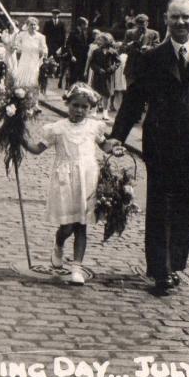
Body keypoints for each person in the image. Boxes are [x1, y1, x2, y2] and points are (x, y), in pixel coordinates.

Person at [109, 0, 189, 296]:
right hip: (161, 143)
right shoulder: (151, 57)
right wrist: (117, 136)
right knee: (161, 206)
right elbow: (134, 100)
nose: (180, 23)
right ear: (165, 19)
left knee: (187, 207)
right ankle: (160, 270)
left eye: (186, 17)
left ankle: (175, 264)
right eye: (175, 17)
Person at [20, 83, 119, 285]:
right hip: (65, 181)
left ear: (90, 108)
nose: (79, 110)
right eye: (75, 105)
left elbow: (104, 145)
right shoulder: (58, 129)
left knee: (81, 225)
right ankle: (58, 243)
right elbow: (37, 149)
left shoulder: (93, 127)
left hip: (88, 180)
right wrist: (18, 138)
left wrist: (114, 149)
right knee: (67, 226)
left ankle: (76, 267)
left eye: (84, 107)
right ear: (68, 104)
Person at [88, 32, 120, 120]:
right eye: (99, 40)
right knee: (96, 92)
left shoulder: (112, 51)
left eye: (101, 40)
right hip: (98, 75)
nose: (99, 42)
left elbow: (118, 62)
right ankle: (94, 110)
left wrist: (112, 68)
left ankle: (105, 113)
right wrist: (98, 69)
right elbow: (92, 63)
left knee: (106, 94)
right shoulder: (96, 51)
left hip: (108, 76)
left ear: (107, 41)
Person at [11, 18, 49, 90]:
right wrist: (17, 47)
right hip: (24, 59)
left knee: (33, 76)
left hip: (35, 60)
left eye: (34, 25)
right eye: (31, 25)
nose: (33, 26)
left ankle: (31, 93)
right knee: (22, 76)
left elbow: (45, 48)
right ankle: (21, 92)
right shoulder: (22, 35)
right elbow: (16, 44)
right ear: (27, 25)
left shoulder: (41, 37)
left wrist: (44, 54)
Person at [123, 13, 161, 86]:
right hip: (132, 67)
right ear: (136, 24)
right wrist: (130, 45)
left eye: (143, 25)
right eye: (139, 25)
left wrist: (148, 48)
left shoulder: (154, 33)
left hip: (147, 67)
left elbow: (158, 48)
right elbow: (124, 48)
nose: (141, 28)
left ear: (147, 23)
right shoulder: (129, 33)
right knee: (131, 92)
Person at [64, 17, 91, 88]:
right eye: (86, 24)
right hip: (75, 59)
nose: (87, 26)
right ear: (81, 24)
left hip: (83, 58)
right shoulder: (73, 33)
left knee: (81, 77)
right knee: (73, 77)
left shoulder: (85, 33)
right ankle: (71, 92)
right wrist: (72, 56)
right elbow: (68, 45)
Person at [42, 9, 67, 78]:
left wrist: (63, 45)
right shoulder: (48, 23)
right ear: (52, 14)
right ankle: (49, 72)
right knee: (49, 57)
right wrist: (45, 44)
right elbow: (44, 34)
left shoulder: (62, 23)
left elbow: (64, 35)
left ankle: (57, 73)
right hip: (49, 44)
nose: (55, 15)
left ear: (59, 15)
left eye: (57, 14)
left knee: (57, 58)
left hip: (58, 45)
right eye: (54, 14)